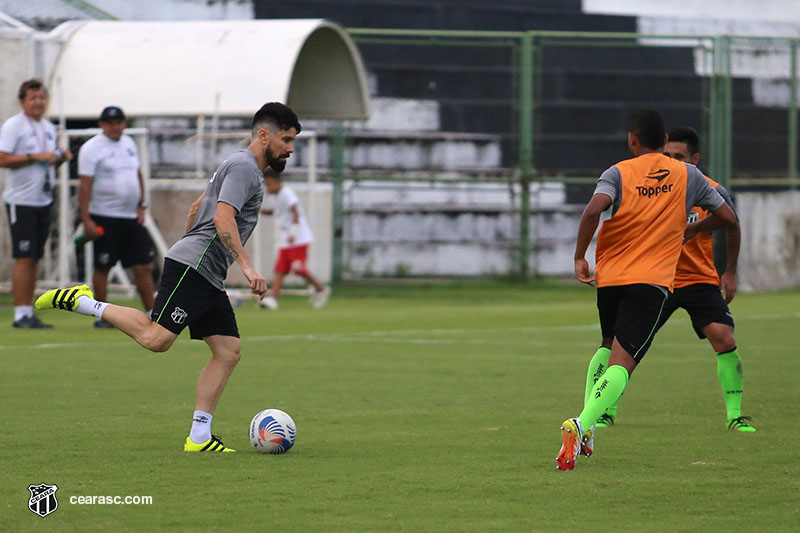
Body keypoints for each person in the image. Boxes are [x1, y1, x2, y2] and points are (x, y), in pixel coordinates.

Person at [35, 102, 301, 452]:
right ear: (264, 135)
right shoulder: (245, 169)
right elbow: (223, 219)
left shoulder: (238, 165)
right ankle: (83, 302)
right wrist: (247, 268)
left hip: (202, 269)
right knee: (156, 339)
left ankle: (199, 437)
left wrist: (189, 246)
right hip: (196, 268)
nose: (291, 148)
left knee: (228, 351)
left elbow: (197, 208)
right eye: (286, 139)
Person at [556, 110, 737, 471]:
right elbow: (729, 219)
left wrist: (580, 256)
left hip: (609, 278)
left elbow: (593, 210)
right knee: (624, 361)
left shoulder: (617, 172)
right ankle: (581, 424)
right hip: (651, 282)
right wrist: (697, 227)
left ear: (632, 139)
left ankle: (589, 430)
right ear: (662, 138)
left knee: (608, 346)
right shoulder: (689, 175)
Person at [591, 127, 754, 432]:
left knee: (724, 337)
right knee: (623, 348)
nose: (671, 161)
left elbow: (731, 224)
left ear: (695, 158)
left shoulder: (708, 188)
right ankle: (604, 411)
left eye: (679, 156)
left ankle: (735, 415)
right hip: (653, 277)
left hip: (697, 278)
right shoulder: (652, 188)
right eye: (668, 155)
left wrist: (729, 271)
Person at [0, 79, 72, 328]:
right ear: (23, 101)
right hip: (21, 201)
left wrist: (59, 157)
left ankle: (28, 311)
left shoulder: (47, 127)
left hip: (43, 199)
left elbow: (48, 158)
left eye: (41, 97)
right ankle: (20, 313)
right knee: (24, 256)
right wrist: (35, 157)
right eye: (33, 98)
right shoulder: (14, 125)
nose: (38, 102)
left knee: (34, 257)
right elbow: (2, 158)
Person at [77, 106, 156, 328]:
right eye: (110, 122)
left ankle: (151, 313)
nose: (114, 126)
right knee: (103, 266)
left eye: (118, 122)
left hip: (130, 216)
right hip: (104, 215)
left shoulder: (129, 144)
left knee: (142, 265)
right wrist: (86, 219)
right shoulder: (91, 148)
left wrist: (141, 205)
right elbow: (85, 186)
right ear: (102, 124)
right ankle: (102, 314)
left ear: (124, 123)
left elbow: (137, 175)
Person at [259, 170, 329, 310]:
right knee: (280, 269)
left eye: (269, 184)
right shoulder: (273, 196)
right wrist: (255, 209)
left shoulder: (287, 193)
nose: (267, 188)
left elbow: (295, 212)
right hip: (286, 238)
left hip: (298, 237)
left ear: (277, 181)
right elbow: (272, 211)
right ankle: (273, 299)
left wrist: (294, 232)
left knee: (298, 268)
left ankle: (320, 289)